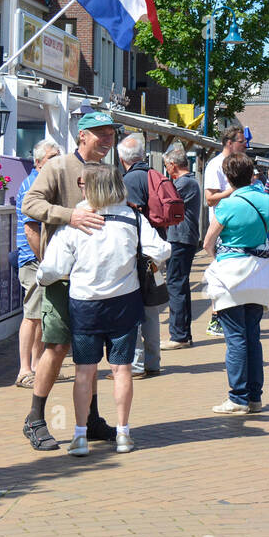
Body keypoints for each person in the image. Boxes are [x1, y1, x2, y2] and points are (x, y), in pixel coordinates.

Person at [37, 163, 171, 455]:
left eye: (83, 184)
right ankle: (123, 434)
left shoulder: (77, 221)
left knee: (85, 371)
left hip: (85, 304)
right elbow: (162, 250)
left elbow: (52, 268)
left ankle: (80, 436)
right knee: (122, 369)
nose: (80, 188)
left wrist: (42, 277)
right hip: (124, 302)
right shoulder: (133, 218)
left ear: (92, 187)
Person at [19, 110, 118, 451]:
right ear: (83, 136)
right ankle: (34, 418)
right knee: (57, 347)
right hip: (62, 276)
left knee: (88, 353)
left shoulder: (107, 172)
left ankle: (90, 420)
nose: (108, 139)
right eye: (101, 133)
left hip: (96, 276)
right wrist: (68, 216)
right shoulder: (58, 167)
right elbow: (30, 204)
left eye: (111, 134)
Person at [203, 152, 269, 415]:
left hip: (230, 278)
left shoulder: (226, 205)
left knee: (235, 338)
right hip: (259, 278)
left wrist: (223, 259)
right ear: (252, 175)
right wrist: (259, 256)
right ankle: (254, 397)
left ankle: (237, 398)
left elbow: (207, 243)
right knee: (253, 337)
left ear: (227, 177)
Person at [117, 133, 165, 377]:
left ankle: (135, 365)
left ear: (122, 158)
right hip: (156, 251)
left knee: (134, 310)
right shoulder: (153, 174)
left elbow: (132, 219)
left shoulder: (130, 180)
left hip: (138, 254)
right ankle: (153, 362)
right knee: (151, 308)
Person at [14, 139, 60, 388]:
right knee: (32, 315)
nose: (57, 160)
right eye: (52, 157)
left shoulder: (46, 181)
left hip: (43, 258)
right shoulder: (34, 184)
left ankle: (39, 366)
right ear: (39, 162)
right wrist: (44, 260)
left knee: (42, 315)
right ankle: (24, 369)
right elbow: (31, 228)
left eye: (58, 155)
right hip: (34, 259)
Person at [203, 125, 248, 335]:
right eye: (241, 141)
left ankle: (232, 315)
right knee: (220, 274)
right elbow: (210, 199)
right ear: (229, 143)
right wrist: (233, 191)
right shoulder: (215, 166)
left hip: (238, 227)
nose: (245, 144)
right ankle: (216, 319)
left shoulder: (240, 164)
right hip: (221, 228)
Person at [161, 146, 201, 349]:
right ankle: (183, 334)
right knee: (181, 285)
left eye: (167, 165)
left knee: (176, 285)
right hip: (184, 238)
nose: (166, 169)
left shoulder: (184, 183)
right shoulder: (190, 182)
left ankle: (179, 335)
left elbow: (163, 201)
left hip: (180, 238)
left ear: (172, 165)